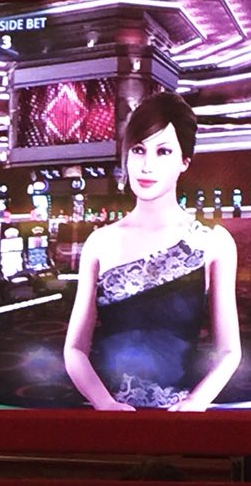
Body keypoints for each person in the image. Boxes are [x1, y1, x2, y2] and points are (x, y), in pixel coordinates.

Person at [62, 91, 240, 413]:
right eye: (138, 150)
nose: (147, 165)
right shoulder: (100, 242)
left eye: (163, 151)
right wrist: (105, 404)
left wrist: (195, 403)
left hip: (182, 419)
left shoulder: (213, 242)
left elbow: (229, 352)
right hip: (111, 418)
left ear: (184, 161)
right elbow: (74, 349)